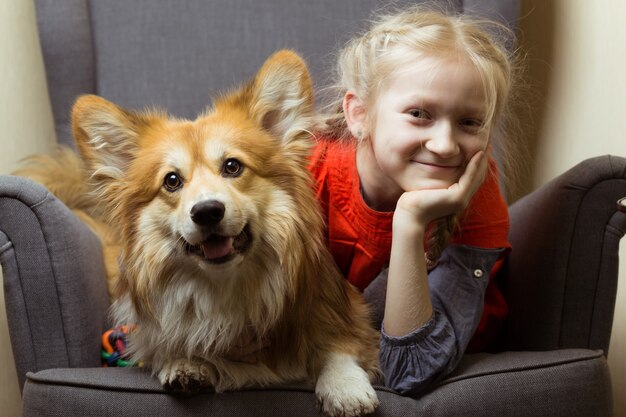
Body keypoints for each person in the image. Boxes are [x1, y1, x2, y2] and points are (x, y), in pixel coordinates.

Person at [308, 5, 523, 395]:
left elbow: (411, 370)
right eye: (419, 114)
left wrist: (409, 223)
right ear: (359, 113)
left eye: (469, 123)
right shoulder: (308, 171)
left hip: (435, 346)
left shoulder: (477, 193)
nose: (444, 146)